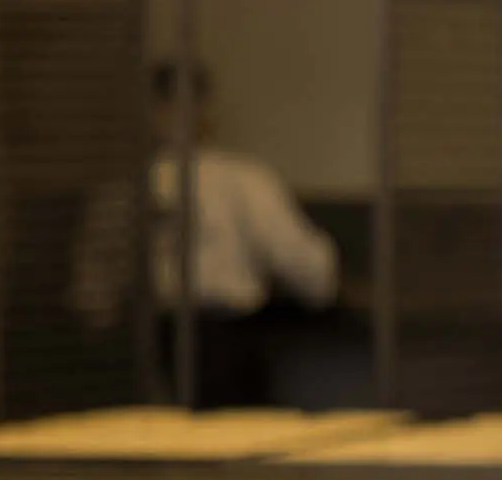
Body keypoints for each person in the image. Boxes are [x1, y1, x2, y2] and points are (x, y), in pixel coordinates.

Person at [70, 61, 342, 405]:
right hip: (212, 339)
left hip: (168, 342)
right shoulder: (240, 181)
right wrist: (323, 289)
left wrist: (99, 322)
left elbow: (95, 289)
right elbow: (300, 260)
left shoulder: (127, 190)